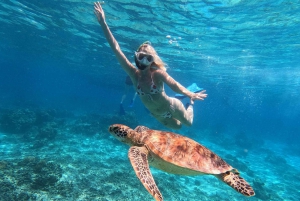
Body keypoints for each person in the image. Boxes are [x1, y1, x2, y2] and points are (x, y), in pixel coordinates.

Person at [94, 2, 207, 129]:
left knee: (189, 124)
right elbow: (116, 49)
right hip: (157, 114)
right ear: (136, 57)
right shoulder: (133, 74)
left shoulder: (157, 74)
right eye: (141, 57)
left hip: (171, 106)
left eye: (149, 59)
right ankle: (181, 98)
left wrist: (190, 95)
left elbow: (174, 84)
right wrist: (103, 24)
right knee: (178, 127)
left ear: (153, 61)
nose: (144, 62)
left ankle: (189, 104)